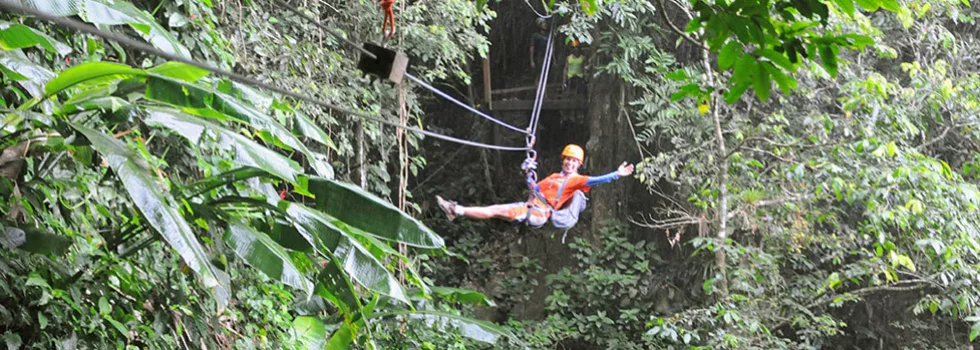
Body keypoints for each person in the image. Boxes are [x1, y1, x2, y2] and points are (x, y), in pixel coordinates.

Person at [436, 144, 635, 228]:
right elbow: (534, 188)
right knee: (495, 210)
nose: (570, 163)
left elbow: (596, 180)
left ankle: (455, 209)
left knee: (497, 210)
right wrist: (528, 173)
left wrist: (616, 175)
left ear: (578, 164)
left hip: (541, 213)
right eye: (568, 160)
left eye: (574, 162)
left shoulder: (575, 180)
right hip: (532, 206)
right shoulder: (554, 176)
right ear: (563, 160)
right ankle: (455, 211)